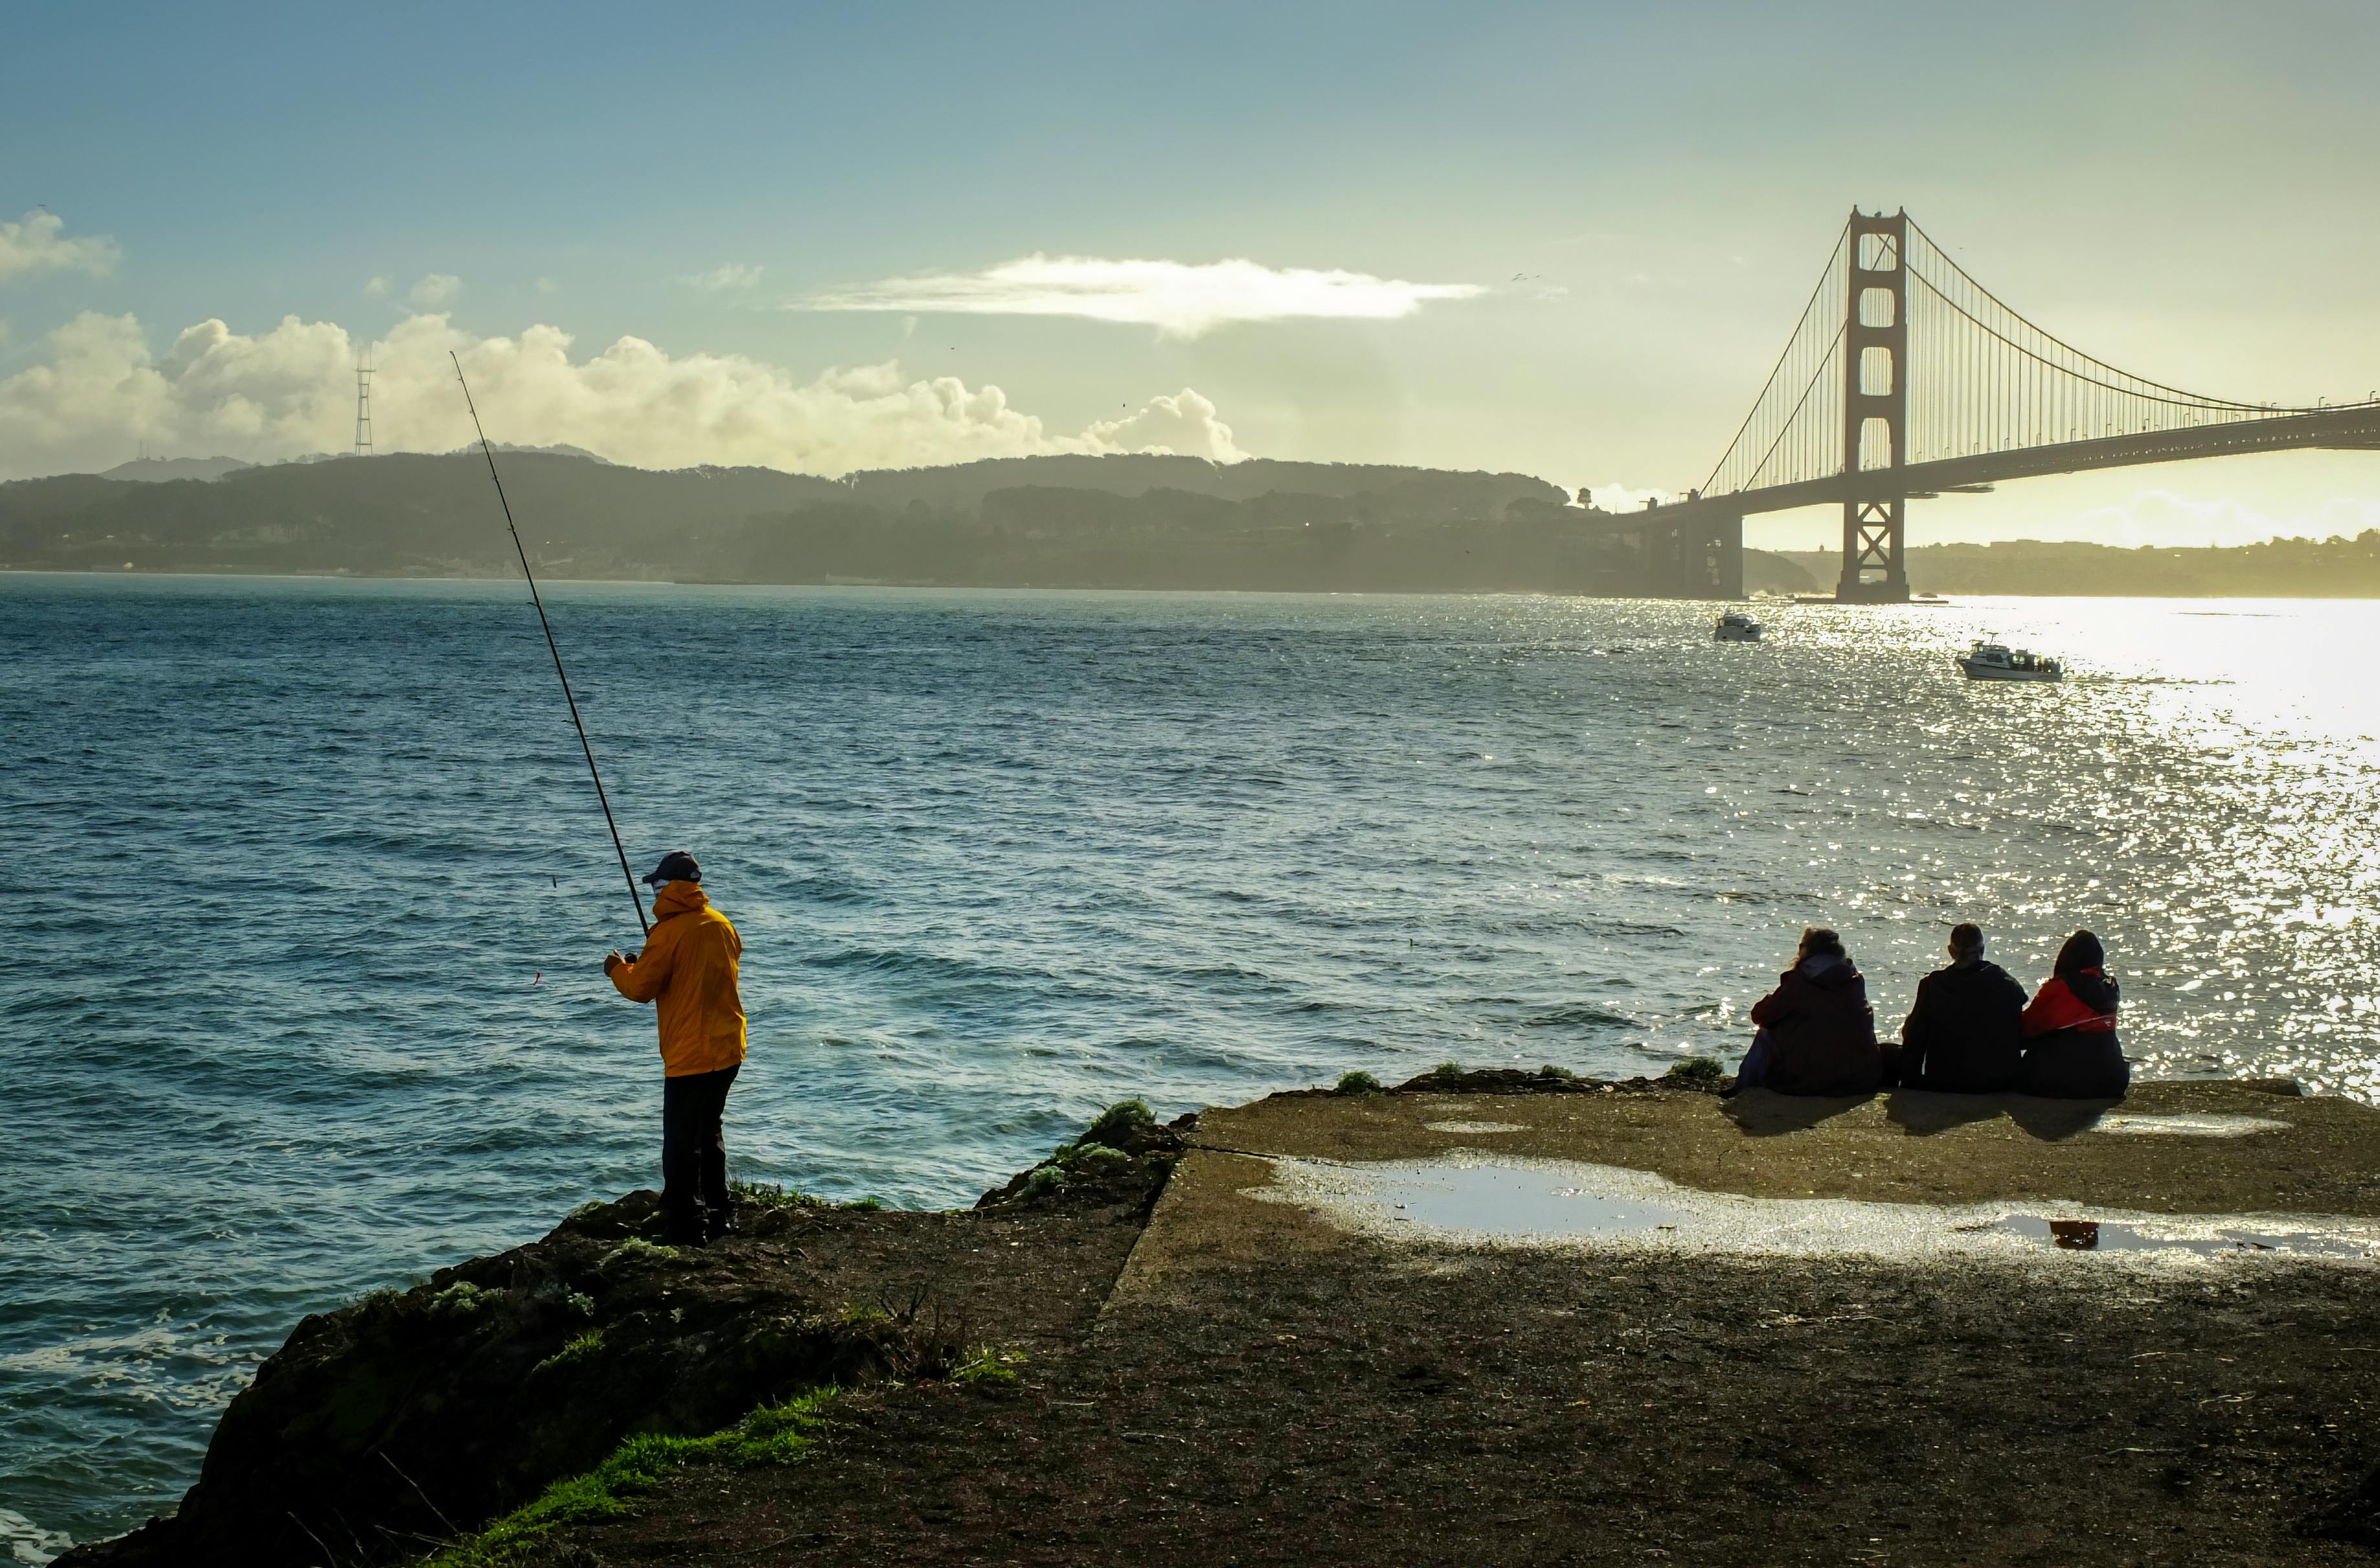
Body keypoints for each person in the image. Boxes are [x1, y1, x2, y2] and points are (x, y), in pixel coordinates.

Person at [605, 850, 748, 1245]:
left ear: (666, 889)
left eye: (655, 886)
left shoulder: (668, 934)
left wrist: (618, 968)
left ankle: (688, 1227)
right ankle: (720, 1214)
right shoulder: (721, 924)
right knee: (710, 1132)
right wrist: (654, 955)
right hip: (729, 1048)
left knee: (681, 1145)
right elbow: (702, 969)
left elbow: (640, 989)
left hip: (691, 1054)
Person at [1739, 927, 1882, 1096]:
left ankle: (1742, 1089)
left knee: (1766, 1033)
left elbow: (1761, 1016)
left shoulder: (1801, 981)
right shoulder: (1855, 980)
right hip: (1860, 1078)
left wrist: (1772, 999)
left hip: (1812, 1081)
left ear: (1804, 950)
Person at [1897, 922, 2026, 1093]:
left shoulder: (1932, 985)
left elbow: (1915, 1038)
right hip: (1996, 1083)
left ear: (1951, 951)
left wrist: (1910, 1084)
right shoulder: (2005, 983)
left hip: (1944, 1080)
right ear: (1982, 949)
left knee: (1910, 1025)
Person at [2018, 930, 2129, 1099]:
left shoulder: (2061, 987)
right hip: (2113, 1081)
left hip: (2066, 1082)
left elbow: (2026, 1029)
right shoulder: (2110, 988)